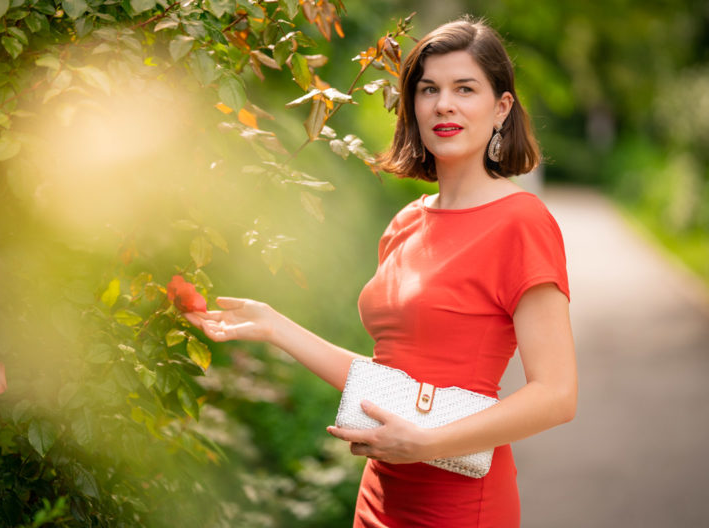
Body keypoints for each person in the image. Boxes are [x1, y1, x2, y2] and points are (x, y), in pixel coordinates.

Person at [184, 15, 577, 528]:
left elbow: (557, 395)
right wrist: (274, 326)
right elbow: (389, 380)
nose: (443, 105)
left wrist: (425, 443)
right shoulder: (405, 222)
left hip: (461, 504)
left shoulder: (521, 223)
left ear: (501, 107)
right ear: (413, 105)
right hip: (380, 496)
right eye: (428, 89)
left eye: (465, 89)